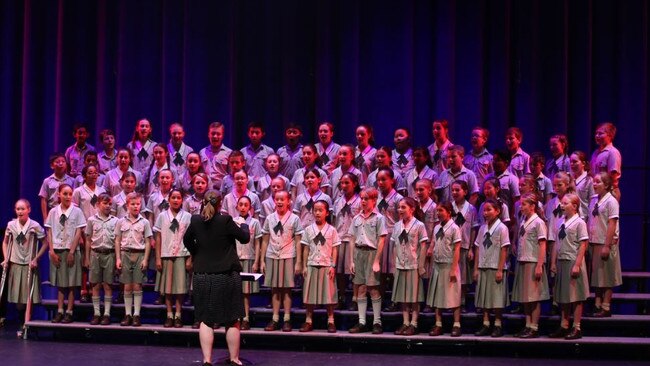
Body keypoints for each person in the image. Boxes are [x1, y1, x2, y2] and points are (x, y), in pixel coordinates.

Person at [183, 190, 250, 366]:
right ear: (220, 204)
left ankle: (207, 360)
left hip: (203, 275)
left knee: (206, 319)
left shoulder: (196, 220)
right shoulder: (225, 220)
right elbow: (244, 238)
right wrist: (243, 225)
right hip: (226, 275)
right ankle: (234, 359)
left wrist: (196, 253)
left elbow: (186, 239)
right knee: (232, 318)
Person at [2, 199, 47, 337]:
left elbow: (45, 243)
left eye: (22, 209)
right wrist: (6, 258)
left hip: (29, 265)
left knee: (28, 297)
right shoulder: (11, 225)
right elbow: (5, 242)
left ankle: (28, 323)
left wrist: (36, 258)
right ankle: (21, 322)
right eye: (17, 209)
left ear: (29, 209)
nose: (20, 211)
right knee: (18, 299)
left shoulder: (35, 226)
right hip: (16, 264)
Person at [260, 190, 304, 332]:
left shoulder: (294, 219)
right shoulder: (270, 218)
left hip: (288, 255)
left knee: (286, 289)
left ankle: (286, 318)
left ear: (288, 201)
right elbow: (265, 240)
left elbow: (298, 241)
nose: (279, 202)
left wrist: (298, 261)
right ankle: (274, 318)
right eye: (277, 199)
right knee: (275, 289)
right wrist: (262, 260)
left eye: (282, 199)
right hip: (272, 255)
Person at [548, 193, 589, 340]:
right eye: (562, 203)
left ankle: (576, 327)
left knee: (576, 296)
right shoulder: (560, 222)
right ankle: (564, 325)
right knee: (564, 295)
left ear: (574, 206)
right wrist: (553, 262)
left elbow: (583, 244)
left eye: (565, 203)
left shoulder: (579, 223)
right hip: (561, 261)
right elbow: (556, 244)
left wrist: (577, 264)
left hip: (573, 261)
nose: (562, 205)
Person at [45, 184, 86, 323]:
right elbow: (49, 232)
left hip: (71, 250)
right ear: (59, 194)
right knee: (61, 283)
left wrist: (72, 252)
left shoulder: (77, 211)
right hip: (57, 250)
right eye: (65, 194)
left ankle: (69, 311)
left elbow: (78, 232)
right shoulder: (53, 212)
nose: (68, 197)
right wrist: (51, 251)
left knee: (71, 283)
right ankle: (60, 310)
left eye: (70, 194)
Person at [348, 188, 387, 334]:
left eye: (366, 199)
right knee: (361, 288)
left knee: (374, 288)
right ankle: (362, 321)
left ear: (374, 201)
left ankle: (377, 321)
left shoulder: (378, 218)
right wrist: (351, 261)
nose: (363, 201)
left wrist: (377, 261)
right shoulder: (356, 218)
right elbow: (352, 239)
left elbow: (381, 239)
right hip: (359, 253)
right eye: (362, 199)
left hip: (372, 253)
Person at [300, 200, 340, 333]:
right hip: (312, 264)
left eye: (320, 210)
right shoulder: (308, 229)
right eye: (315, 210)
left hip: (326, 265)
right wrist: (304, 266)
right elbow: (305, 248)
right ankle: (308, 320)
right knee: (310, 294)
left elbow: (335, 249)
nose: (317, 213)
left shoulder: (332, 230)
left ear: (327, 213)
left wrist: (333, 265)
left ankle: (331, 320)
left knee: (328, 295)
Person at [512, 193, 549, 338]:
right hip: (523, 260)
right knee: (525, 296)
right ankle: (527, 325)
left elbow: (542, 244)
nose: (521, 207)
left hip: (533, 262)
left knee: (534, 297)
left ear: (532, 206)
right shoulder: (523, 220)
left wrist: (540, 265)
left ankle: (534, 326)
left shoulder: (538, 222)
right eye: (521, 204)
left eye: (524, 204)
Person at [154, 189, 192, 328]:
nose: (176, 200)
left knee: (180, 288)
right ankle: (169, 315)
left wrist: (190, 258)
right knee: (168, 288)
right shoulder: (162, 216)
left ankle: (178, 315)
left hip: (182, 255)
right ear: (169, 199)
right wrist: (158, 258)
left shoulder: (187, 216)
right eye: (173, 198)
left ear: (182, 200)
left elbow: (191, 238)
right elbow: (157, 238)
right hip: (166, 255)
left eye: (178, 198)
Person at [391, 197, 428, 336]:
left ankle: (414, 323)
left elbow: (423, 246)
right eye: (399, 207)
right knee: (403, 296)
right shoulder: (397, 226)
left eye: (403, 207)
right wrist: (394, 264)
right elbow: (394, 246)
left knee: (414, 296)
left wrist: (421, 265)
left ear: (412, 209)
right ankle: (405, 322)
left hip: (413, 264)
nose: (400, 210)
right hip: (401, 264)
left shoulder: (419, 225)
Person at [473, 199, 510, 338]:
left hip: (496, 267)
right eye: (484, 210)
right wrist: (476, 268)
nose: (486, 213)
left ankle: (498, 324)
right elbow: (477, 247)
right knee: (485, 296)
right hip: (483, 265)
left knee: (496, 297)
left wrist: (500, 269)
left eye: (489, 210)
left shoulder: (502, 228)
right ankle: (486, 323)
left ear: (497, 211)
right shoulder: (483, 228)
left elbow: (504, 249)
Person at [115, 192, 153, 327]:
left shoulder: (145, 222)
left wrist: (146, 259)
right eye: (133, 204)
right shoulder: (120, 221)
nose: (136, 207)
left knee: (137, 285)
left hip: (139, 255)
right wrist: (118, 258)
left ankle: (136, 314)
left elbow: (148, 242)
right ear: (127, 205)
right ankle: (127, 314)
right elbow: (118, 240)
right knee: (127, 285)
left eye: (138, 204)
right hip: (125, 254)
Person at [588, 172, 622, 317]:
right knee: (597, 275)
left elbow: (612, 224)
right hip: (594, 241)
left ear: (606, 185)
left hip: (605, 242)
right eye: (594, 182)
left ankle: (606, 306)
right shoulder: (594, 199)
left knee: (607, 276)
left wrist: (607, 245)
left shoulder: (611, 201)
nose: (594, 184)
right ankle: (597, 303)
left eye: (598, 182)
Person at [426, 202, 463, 337]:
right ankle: (438, 323)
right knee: (438, 295)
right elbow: (434, 242)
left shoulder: (454, 228)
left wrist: (453, 268)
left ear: (448, 211)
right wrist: (430, 249)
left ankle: (456, 324)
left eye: (441, 210)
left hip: (449, 265)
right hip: (437, 265)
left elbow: (457, 248)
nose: (438, 213)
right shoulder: (436, 228)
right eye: (437, 211)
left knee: (453, 295)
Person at [84, 193, 118, 325]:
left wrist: (117, 258)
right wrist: (87, 258)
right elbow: (87, 240)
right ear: (98, 205)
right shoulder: (91, 220)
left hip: (109, 254)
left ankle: (107, 314)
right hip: (95, 254)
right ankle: (97, 313)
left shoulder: (115, 221)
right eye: (105, 203)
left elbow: (117, 241)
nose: (108, 206)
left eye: (110, 203)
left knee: (108, 284)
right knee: (95, 284)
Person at [233, 196, 262, 331]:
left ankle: (246, 318)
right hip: (235, 260)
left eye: (246, 205)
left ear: (250, 207)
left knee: (246, 292)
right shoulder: (232, 222)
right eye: (241, 204)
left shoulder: (255, 222)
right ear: (237, 207)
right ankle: (235, 317)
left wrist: (257, 261)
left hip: (249, 259)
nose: (243, 207)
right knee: (235, 291)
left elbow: (257, 243)